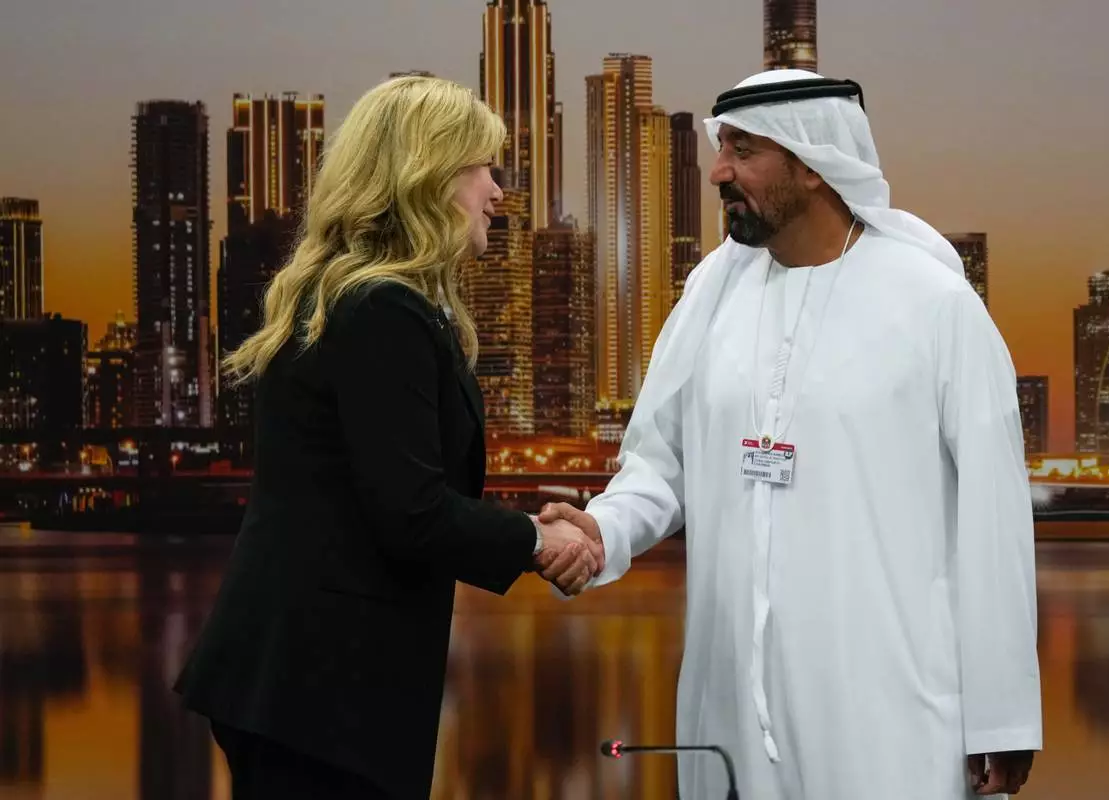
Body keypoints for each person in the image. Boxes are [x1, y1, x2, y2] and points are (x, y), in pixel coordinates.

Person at [539, 69, 1043, 799]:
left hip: (889, 706)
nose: (718, 171)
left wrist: (1001, 716)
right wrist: (602, 530)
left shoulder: (936, 304)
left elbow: (995, 520)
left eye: (742, 150)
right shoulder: (711, 291)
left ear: (812, 163)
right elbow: (659, 463)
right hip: (731, 702)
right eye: (721, 148)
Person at [173, 76, 602, 799]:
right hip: (324, 694)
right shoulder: (382, 311)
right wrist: (536, 540)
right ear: (425, 177)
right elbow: (411, 511)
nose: (499, 192)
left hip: (298, 685)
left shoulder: (347, 298)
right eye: (484, 169)